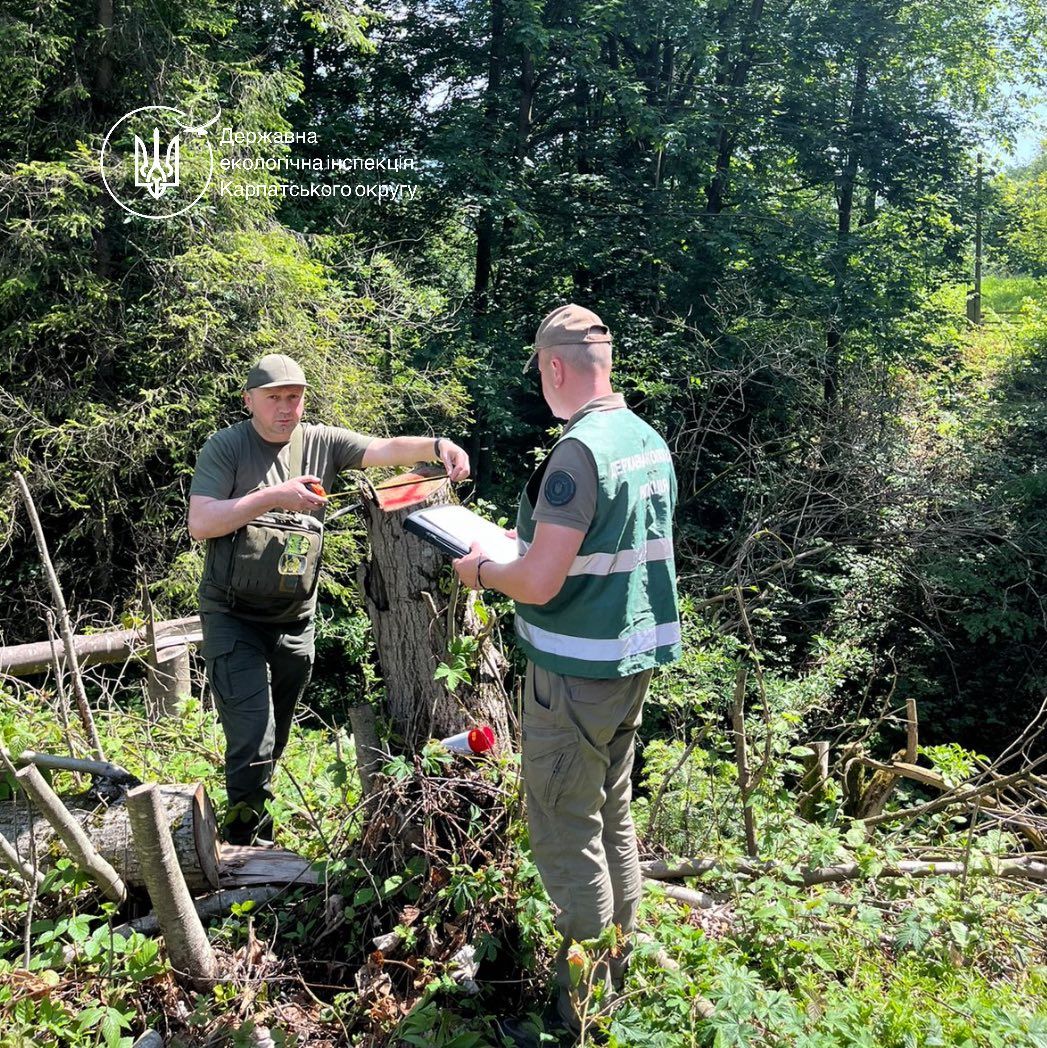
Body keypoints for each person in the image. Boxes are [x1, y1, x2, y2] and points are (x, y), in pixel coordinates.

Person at [453, 305, 681, 1038]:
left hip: (574, 671)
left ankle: (576, 1015)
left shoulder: (577, 453)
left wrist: (484, 571)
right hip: (627, 662)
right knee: (609, 814)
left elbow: (542, 582)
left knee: (562, 829)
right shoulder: (643, 438)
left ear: (554, 368)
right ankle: (620, 969)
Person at [189, 353, 469, 845]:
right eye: (273, 398)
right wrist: (273, 497)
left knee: (274, 735)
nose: (284, 408)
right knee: (253, 734)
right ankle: (244, 844)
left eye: (293, 397)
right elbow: (202, 523)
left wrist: (438, 444)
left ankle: (254, 819)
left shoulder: (322, 442)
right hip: (232, 616)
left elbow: (383, 449)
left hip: (295, 619)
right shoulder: (227, 448)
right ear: (249, 400)